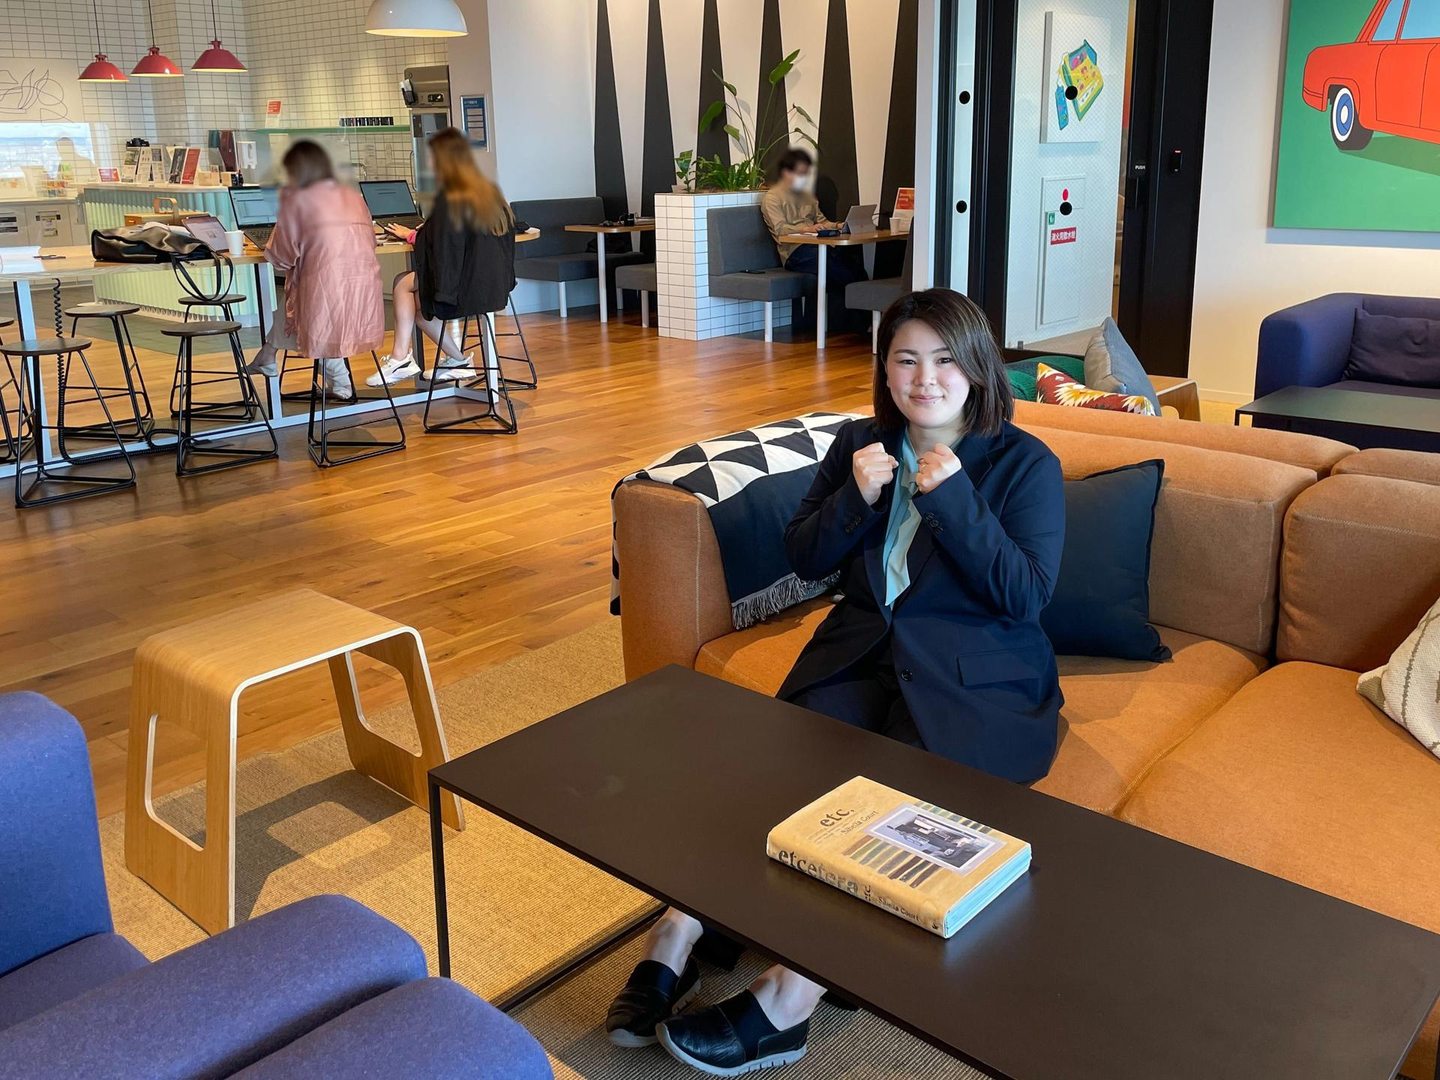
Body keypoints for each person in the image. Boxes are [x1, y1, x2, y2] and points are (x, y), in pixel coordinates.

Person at [603, 288, 1067, 1074]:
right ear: (885, 370)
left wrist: (954, 498)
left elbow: (1024, 595)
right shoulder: (860, 443)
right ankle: (683, 927)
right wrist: (856, 496)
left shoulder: (1025, 464)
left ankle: (790, 999)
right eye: (906, 360)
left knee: (892, 819)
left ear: (978, 368)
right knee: (777, 778)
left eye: (945, 360)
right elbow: (805, 556)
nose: (925, 378)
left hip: (973, 678)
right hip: (860, 653)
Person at [367, 128, 517, 387]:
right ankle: (455, 361)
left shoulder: (451, 199)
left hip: (465, 290)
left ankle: (401, 358)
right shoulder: (490, 192)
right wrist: (428, 230)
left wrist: (412, 235)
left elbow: (440, 245)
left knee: (403, 285)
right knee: (416, 305)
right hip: (494, 286)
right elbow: (457, 238)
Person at [246, 140, 383, 399]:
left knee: (303, 306)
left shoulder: (298, 200)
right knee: (295, 304)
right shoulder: (354, 197)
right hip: (364, 289)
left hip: (325, 290)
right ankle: (267, 355)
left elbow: (281, 257)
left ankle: (339, 377)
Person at [759, 147, 868, 328]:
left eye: (806, 173)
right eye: (801, 173)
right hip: (795, 253)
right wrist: (806, 229)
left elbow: (822, 221)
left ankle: (858, 325)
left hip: (819, 247)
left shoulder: (807, 195)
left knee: (855, 269)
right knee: (842, 272)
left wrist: (838, 225)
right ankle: (857, 325)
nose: (804, 178)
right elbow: (780, 229)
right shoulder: (772, 198)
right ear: (786, 172)